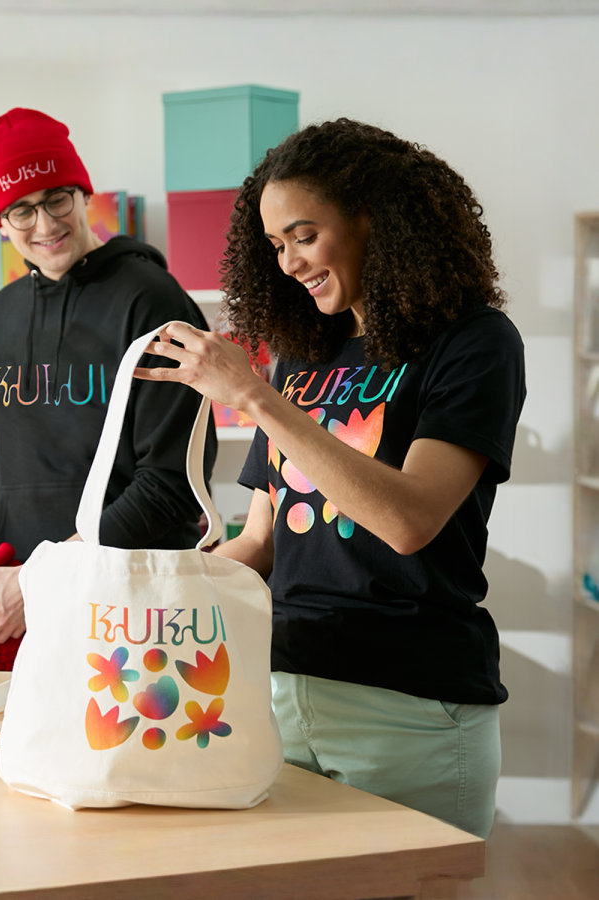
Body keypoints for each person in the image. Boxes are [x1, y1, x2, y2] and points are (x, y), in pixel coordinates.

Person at [134, 118, 526, 839]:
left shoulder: (474, 342)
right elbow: (261, 542)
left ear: (373, 215)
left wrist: (254, 398)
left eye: (303, 236)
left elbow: (410, 522)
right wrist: (143, 589)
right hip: (281, 690)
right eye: (276, 246)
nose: (287, 263)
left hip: (409, 708)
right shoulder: (301, 358)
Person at [0, 107, 216, 650]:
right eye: (21, 211)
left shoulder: (151, 301)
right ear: (0, 224)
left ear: (83, 195)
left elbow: (171, 485)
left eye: (56, 200)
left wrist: (48, 576)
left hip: (132, 607)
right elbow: (11, 466)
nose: (45, 225)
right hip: (23, 606)